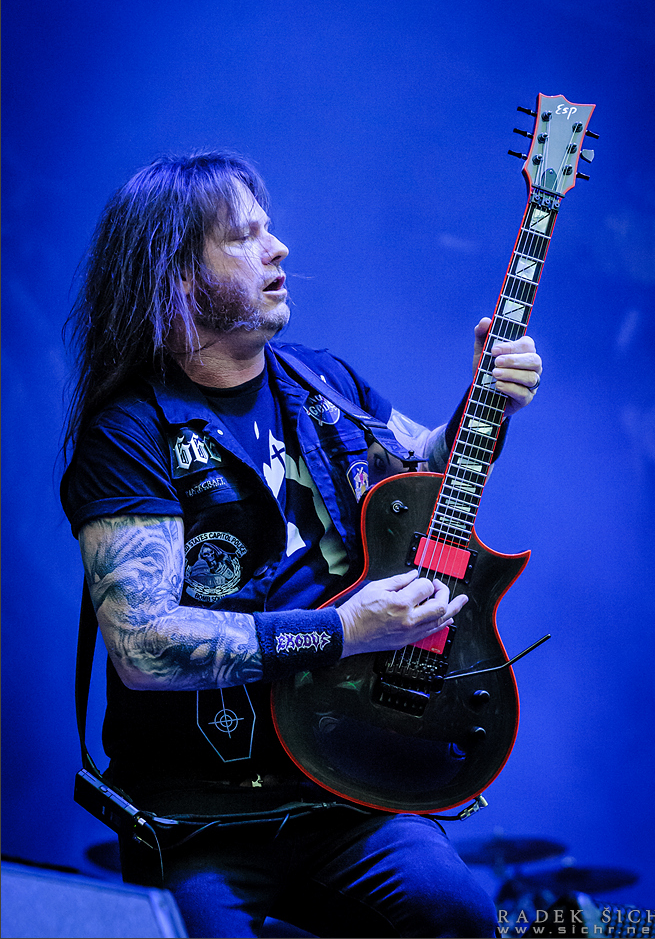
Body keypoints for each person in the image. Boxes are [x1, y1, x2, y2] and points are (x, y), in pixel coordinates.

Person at [61, 152, 542, 939]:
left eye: (269, 229)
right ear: (178, 276)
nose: (277, 247)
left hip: (348, 787)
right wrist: (346, 630)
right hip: (201, 811)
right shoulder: (129, 433)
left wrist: (486, 399)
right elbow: (144, 647)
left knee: (456, 912)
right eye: (244, 236)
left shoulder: (323, 383)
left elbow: (426, 473)